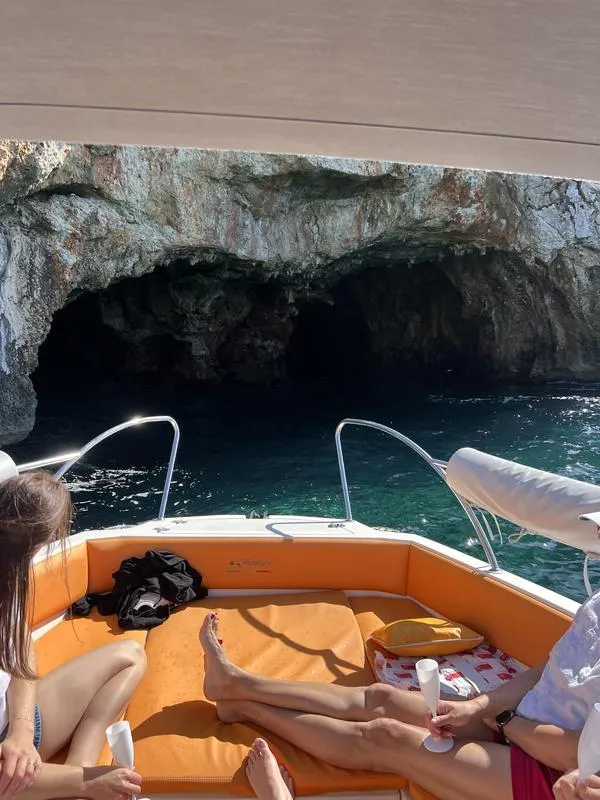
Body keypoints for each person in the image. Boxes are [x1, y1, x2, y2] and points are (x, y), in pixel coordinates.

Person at [200, 592, 600, 800]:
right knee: (382, 698)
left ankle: (246, 708)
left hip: (558, 778)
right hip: (522, 722)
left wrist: (502, 719)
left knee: (386, 736)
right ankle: (235, 683)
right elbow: (549, 672)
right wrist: (479, 705)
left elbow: (575, 752)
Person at [0, 471, 146, 800]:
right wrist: (85, 782)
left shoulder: (8, 583)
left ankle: (78, 762)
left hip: (19, 731)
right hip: (6, 774)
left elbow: (19, 645)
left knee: (130, 656)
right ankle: (73, 782)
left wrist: (22, 728)